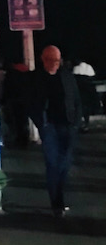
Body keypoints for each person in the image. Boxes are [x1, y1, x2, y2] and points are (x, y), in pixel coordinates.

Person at [28, 44, 83, 216]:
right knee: (52, 164)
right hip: (49, 127)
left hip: (68, 126)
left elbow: (76, 100)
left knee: (64, 165)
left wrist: (76, 123)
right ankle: (57, 203)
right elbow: (31, 104)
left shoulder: (67, 77)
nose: (54, 64)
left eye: (57, 60)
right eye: (50, 60)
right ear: (43, 60)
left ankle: (59, 196)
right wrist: (41, 125)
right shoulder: (36, 79)